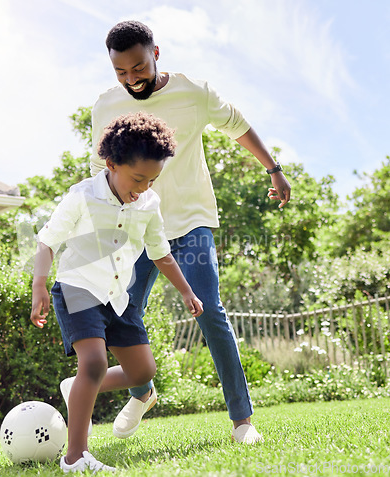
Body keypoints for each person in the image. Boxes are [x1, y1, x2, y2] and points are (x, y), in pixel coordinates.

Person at [89, 20, 292, 445]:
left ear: (156, 53)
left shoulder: (193, 93)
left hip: (190, 222)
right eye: (121, 73)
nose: (131, 79)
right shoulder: (105, 107)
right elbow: (100, 173)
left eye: (138, 67)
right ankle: (142, 393)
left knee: (210, 311)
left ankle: (242, 422)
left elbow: (238, 125)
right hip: (139, 229)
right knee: (123, 319)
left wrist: (272, 169)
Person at [30, 111, 203, 473]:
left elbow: (160, 252)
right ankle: (75, 457)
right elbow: (47, 242)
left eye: (152, 180)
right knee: (93, 363)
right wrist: (39, 285)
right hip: (77, 287)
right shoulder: (83, 195)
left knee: (142, 373)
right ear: (111, 163)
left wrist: (186, 291)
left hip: (117, 297)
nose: (144, 187)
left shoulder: (149, 204)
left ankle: (77, 386)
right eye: (138, 178)